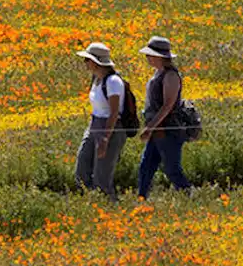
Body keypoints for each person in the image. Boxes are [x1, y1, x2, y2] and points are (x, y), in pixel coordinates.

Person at [136, 36, 193, 199]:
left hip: (169, 130)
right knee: (146, 166)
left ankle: (189, 195)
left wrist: (150, 126)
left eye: (150, 55)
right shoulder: (159, 73)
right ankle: (141, 199)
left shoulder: (171, 76)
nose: (147, 58)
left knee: (171, 168)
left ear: (159, 56)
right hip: (158, 129)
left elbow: (168, 105)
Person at [74, 42, 130, 202]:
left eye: (87, 60)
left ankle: (110, 208)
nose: (85, 63)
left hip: (110, 129)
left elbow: (113, 113)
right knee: (82, 170)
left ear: (96, 61)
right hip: (94, 127)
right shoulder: (96, 79)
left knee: (102, 177)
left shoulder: (113, 82)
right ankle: (93, 204)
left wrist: (105, 139)